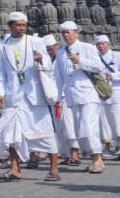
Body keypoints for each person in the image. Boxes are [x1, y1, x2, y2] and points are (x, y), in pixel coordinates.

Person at [0, 12, 60, 183]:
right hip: (13, 95)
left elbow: (49, 67)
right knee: (12, 134)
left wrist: (41, 60)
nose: (22, 28)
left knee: (45, 133)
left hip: (34, 95)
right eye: (18, 25)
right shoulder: (2, 46)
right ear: (10, 26)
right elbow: (0, 72)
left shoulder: (36, 41)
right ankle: (15, 169)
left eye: (24, 25)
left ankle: (54, 169)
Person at [53, 20, 106, 174]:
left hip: (88, 94)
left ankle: (97, 159)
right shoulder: (61, 53)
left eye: (69, 32)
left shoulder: (87, 48)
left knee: (88, 128)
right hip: (71, 97)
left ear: (77, 33)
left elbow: (98, 66)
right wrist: (57, 98)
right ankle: (96, 159)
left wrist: (80, 61)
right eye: (64, 33)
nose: (66, 35)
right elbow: (58, 77)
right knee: (79, 131)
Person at [95, 34, 120, 161]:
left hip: (118, 94)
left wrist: (113, 75)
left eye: (103, 44)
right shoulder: (96, 58)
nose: (101, 46)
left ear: (108, 44)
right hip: (103, 95)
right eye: (98, 44)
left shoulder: (118, 56)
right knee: (111, 124)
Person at [44, 34, 80, 166]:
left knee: (68, 125)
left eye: (51, 48)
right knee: (59, 128)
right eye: (47, 49)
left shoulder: (63, 57)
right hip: (54, 98)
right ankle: (66, 153)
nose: (49, 51)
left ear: (56, 46)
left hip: (65, 96)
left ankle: (74, 153)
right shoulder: (50, 60)